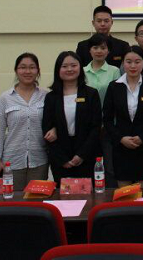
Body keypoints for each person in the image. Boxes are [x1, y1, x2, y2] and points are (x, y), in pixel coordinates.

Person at [103, 46, 143, 185]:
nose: (133, 66)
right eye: (128, 62)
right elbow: (107, 119)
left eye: (137, 61)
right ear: (123, 63)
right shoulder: (114, 87)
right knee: (124, 192)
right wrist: (120, 138)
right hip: (121, 148)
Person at [0, 53, 49, 190]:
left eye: (32, 67)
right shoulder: (5, 98)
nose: (27, 71)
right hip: (11, 161)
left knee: (36, 199)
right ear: (16, 71)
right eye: (23, 67)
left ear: (38, 71)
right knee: (12, 199)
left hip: (39, 160)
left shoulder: (46, 96)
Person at [42, 51, 102, 183]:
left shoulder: (91, 94)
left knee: (87, 193)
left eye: (73, 65)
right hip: (60, 158)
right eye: (64, 66)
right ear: (58, 70)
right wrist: (62, 159)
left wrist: (81, 155)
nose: (69, 69)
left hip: (86, 156)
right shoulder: (51, 97)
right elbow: (46, 129)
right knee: (63, 193)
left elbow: (96, 127)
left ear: (80, 68)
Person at [83, 33, 120, 184]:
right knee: (89, 164)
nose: (99, 51)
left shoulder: (114, 71)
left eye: (103, 48)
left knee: (110, 167)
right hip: (88, 126)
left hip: (108, 126)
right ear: (89, 50)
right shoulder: (82, 72)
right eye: (95, 47)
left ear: (108, 51)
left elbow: (116, 100)